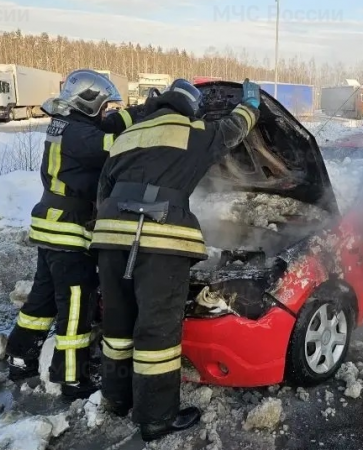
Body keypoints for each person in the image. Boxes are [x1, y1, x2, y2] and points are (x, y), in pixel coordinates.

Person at [90, 78, 260, 441]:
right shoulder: (193, 131)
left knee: (118, 323)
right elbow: (235, 129)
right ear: (191, 107)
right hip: (159, 241)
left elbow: (103, 191)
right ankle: (156, 418)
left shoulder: (129, 135)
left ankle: (116, 398)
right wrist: (251, 105)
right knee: (157, 332)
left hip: (109, 238)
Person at [4, 69, 145, 399]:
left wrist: (141, 111)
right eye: (104, 106)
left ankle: (20, 356)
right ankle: (71, 377)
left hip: (52, 226)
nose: (106, 112)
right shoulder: (81, 135)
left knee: (43, 297)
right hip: (68, 229)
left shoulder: (67, 125)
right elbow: (118, 146)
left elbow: (109, 126)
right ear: (88, 102)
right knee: (76, 304)